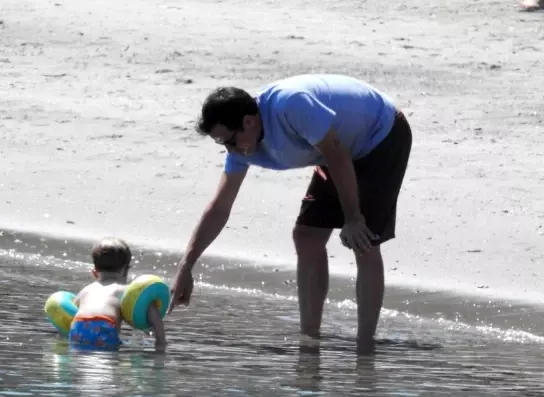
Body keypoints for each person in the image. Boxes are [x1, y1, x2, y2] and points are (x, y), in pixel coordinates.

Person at [168, 73, 412, 354]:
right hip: (337, 150)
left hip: (381, 135)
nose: (229, 150)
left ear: (249, 121)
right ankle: (310, 340)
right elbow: (220, 207)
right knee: (306, 237)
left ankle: (365, 346)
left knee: (363, 241)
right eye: (221, 144)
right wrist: (186, 266)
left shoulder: (291, 106)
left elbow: (338, 156)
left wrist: (354, 218)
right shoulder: (240, 146)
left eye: (230, 141)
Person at [70, 237, 167, 352]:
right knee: (109, 361)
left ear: (94, 272)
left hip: (78, 327)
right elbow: (149, 309)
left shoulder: (85, 290)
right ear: (125, 271)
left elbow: (72, 310)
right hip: (104, 328)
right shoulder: (124, 290)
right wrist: (160, 340)